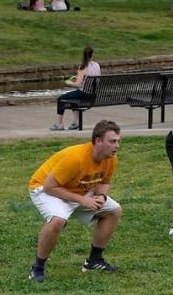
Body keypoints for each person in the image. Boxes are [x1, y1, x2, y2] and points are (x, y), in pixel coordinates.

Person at [27, 120, 123, 282]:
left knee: (114, 211)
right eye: (112, 141)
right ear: (98, 141)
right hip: (45, 188)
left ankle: (94, 261)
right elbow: (50, 187)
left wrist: (102, 196)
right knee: (58, 220)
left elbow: (105, 182)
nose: (117, 145)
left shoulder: (110, 158)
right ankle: (37, 268)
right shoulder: (75, 158)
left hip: (77, 189)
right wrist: (83, 201)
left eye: (118, 141)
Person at [51, 46, 101, 130]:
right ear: (92, 55)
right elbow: (96, 79)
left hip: (84, 94)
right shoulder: (96, 65)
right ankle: (75, 122)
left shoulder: (83, 67)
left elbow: (78, 84)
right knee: (73, 98)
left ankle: (59, 124)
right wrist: (79, 78)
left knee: (60, 99)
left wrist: (69, 82)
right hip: (93, 95)